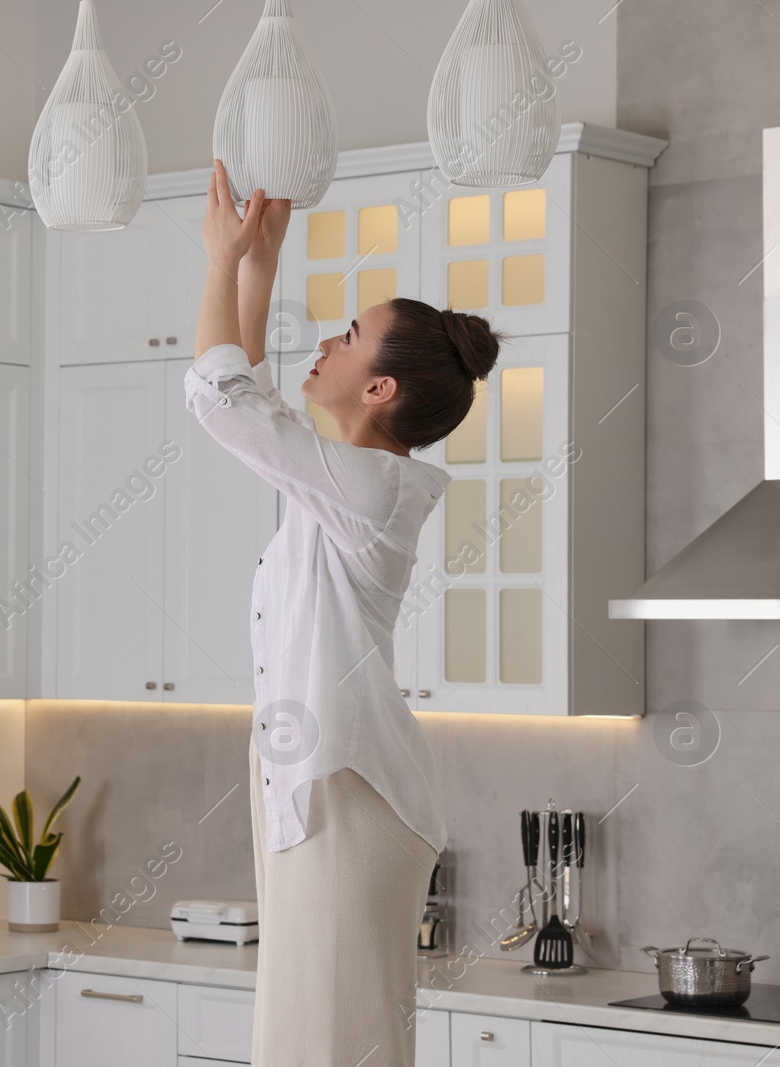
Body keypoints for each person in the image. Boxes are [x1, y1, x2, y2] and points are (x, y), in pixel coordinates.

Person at [184, 159, 501, 1066]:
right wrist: (257, 270)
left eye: (350, 336)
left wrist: (220, 261)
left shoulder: (369, 488)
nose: (326, 340)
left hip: (346, 794)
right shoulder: (344, 485)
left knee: (327, 1046)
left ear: (379, 389)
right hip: (317, 785)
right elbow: (245, 399)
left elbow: (218, 397)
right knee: (299, 1040)